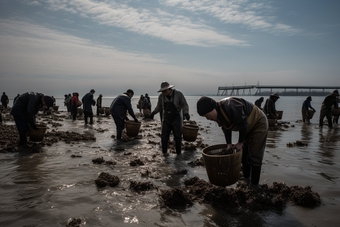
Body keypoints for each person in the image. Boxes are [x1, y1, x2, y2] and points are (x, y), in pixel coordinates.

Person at [197, 96, 268, 185]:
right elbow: (226, 128)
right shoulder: (218, 115)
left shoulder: (231, 106)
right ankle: (246, 179)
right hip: (247, 127)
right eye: (205, 117)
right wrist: (229, 144)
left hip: (258, 123)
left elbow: (243, 123)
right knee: (244, 154)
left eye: (207, 115)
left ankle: (254, 185)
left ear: (213, 108)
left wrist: (240, 142)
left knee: (255, 155)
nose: (207, 118)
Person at [149, 81, 189, 155]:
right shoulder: (161, 96)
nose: (164, 92)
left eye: (165, 90)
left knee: (178, 137)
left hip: (176, 118)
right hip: (166, 118)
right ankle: (164, 155)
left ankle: (178, 156)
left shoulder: (178, 94)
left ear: (170, 89)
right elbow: (159, 107)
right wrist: (153, 113)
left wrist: (186, 113)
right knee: (164, 137)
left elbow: (184, 105)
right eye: (162, 91)